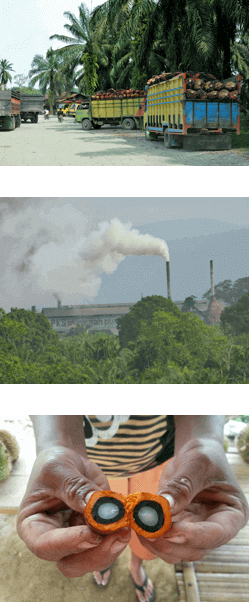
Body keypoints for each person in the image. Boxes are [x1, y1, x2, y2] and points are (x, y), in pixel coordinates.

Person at [16, 416, 249, 602]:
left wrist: (204, 440)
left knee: (149, 538)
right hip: (88, 468)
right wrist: (56, 444)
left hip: (166, 463)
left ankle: (136, 565)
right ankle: (107, 561)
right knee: (102, 537)